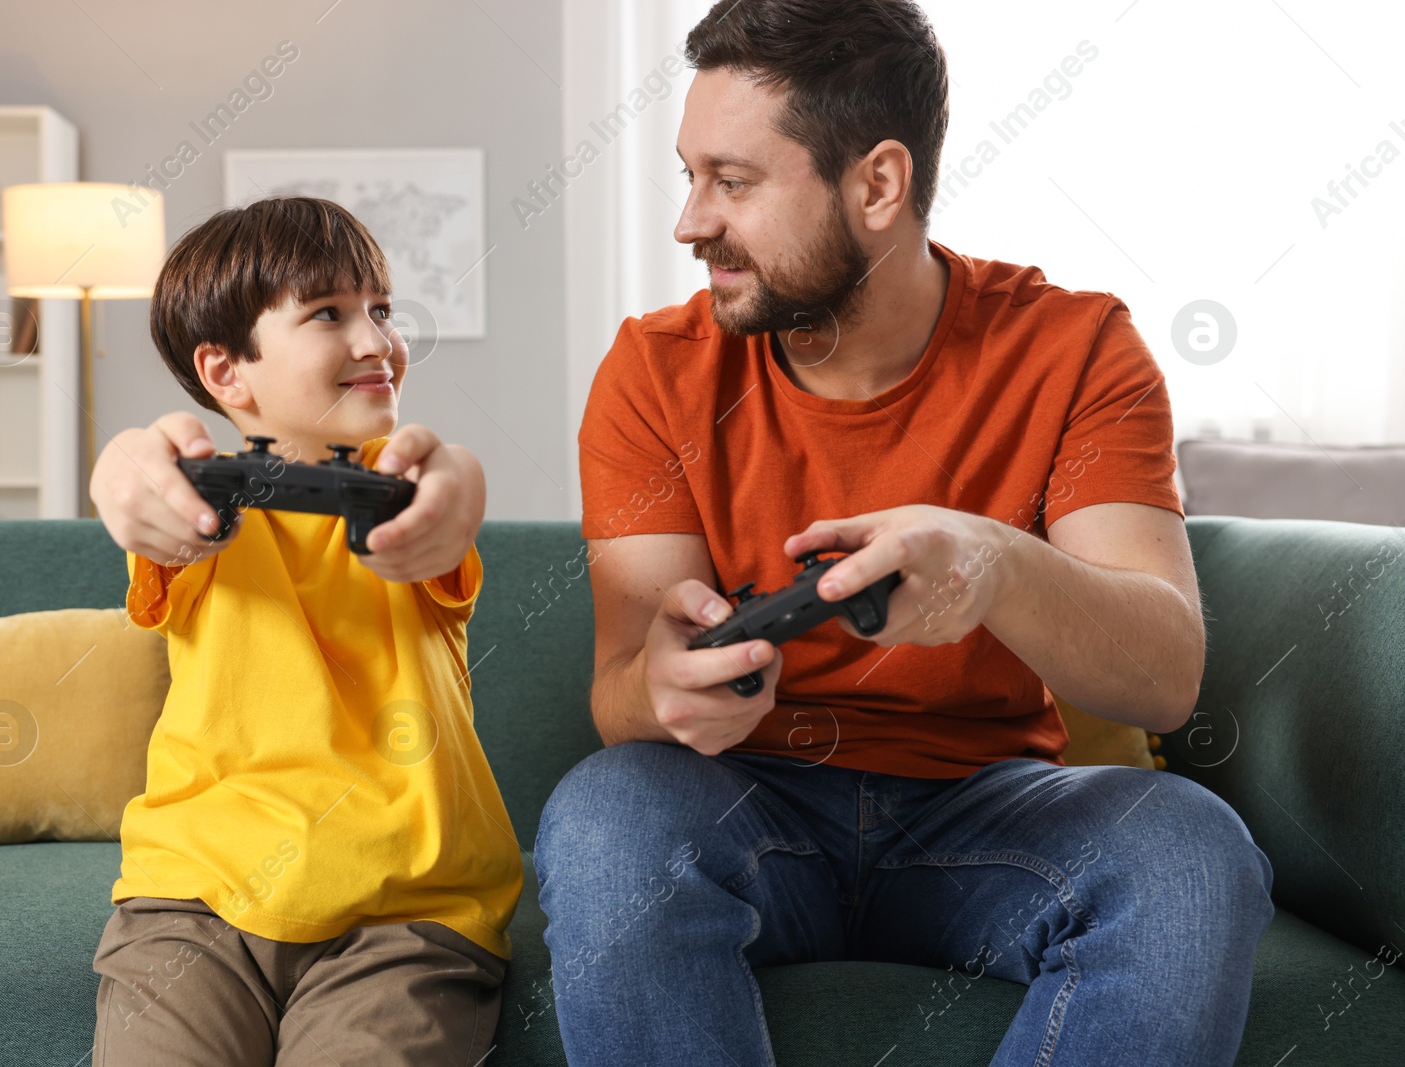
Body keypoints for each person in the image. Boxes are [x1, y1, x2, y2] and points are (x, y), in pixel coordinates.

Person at [535, 2, 1274, 1065]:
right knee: (607, 810)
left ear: (877, 184)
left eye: (732, 182)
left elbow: (1162, 679)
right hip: (744, 800)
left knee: (1190, 849)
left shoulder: (1075, 348)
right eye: (689, 176)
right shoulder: (653, 369)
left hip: (988, 813)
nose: (689, 222)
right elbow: (619, 690)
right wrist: (659, 686)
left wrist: (994, 563)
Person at [84, 196, 520, 1066]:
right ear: (226, 373)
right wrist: (122, 462)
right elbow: (136, 478)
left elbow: (452, 483)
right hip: (190, 903)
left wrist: (459, 481)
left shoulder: (412, 508)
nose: (378, 341)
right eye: (329, 313)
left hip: (405, 917)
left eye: (381, 310)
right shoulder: (191, 512)